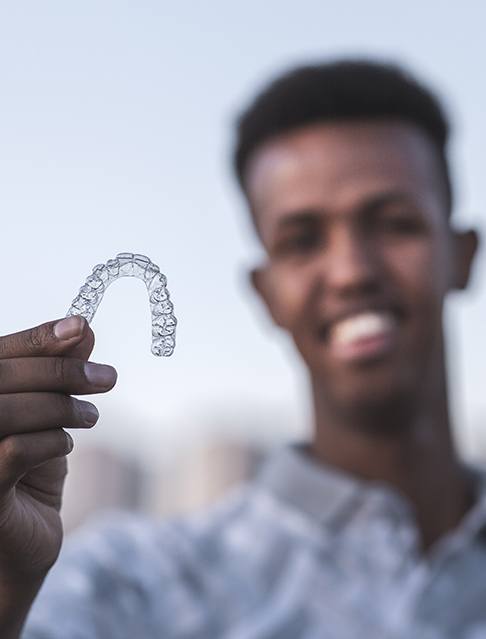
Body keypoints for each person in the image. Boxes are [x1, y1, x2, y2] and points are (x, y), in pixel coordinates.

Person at [0, 59, 484, 638]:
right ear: (266, 293)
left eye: (395, 223)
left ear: (461, 256)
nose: (352, 271)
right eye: (302, 240)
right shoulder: (130, 586)